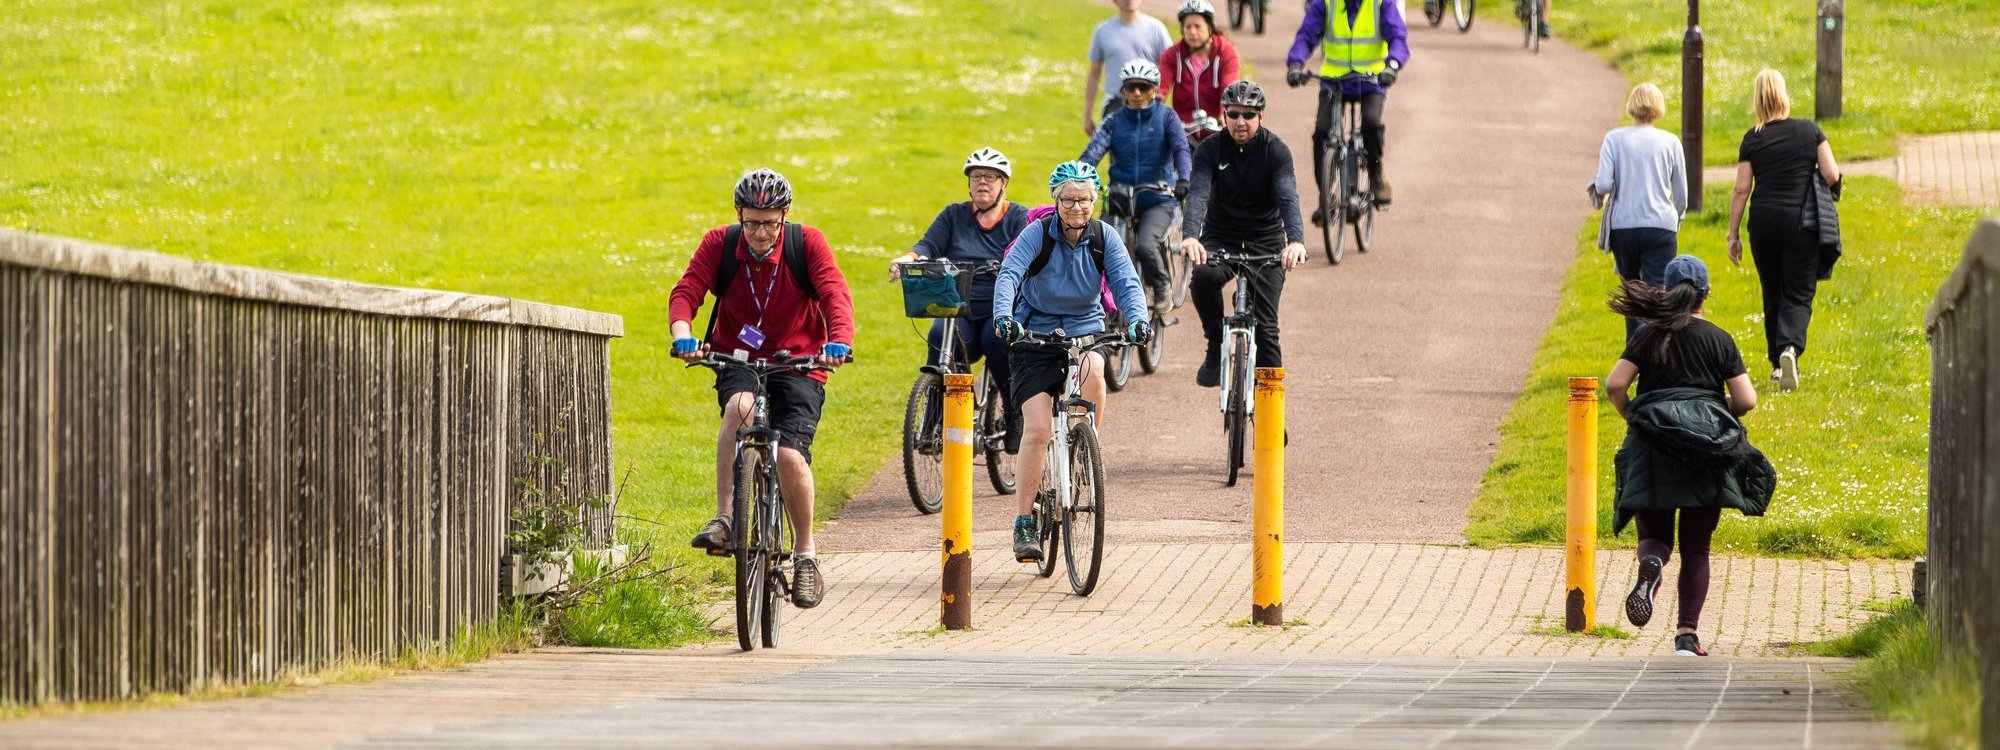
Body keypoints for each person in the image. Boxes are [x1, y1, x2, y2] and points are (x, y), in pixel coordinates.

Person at [670, 168, 855, 610]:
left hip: (801, 363)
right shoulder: (720, 243)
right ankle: (726, 519)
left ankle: (806, 555)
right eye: (752, 221)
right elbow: (687, 291)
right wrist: (683, 335)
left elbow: (834, 294)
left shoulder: (806, 243)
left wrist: (839, 342)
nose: (760, 232)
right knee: (739, 407)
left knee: (790, 455)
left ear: (785, 217)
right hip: (739, 358)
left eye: (770, 222)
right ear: (739, 215)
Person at [1605, 255, 1775, 658]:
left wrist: (1638, 417)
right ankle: (1686, 637)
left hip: (1653, 448)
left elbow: (1614, 385)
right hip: (1706, 450)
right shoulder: (1719, 338)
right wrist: (1716, 412)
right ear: (1707, 293)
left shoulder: (1647, 335)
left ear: (1665, 290)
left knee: (1654, 537)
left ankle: (1653, 565)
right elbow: (1747, 400)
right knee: (1696, 548)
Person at [992, 162, 1154, 563]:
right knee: (1037, 428)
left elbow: (1126, 281)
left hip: (1085, 331)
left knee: (1095, 370)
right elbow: (1010, 274)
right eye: (1068, 199)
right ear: (1056, 200)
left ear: (1094, 199)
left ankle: (1087, 443)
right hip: (1035, 335)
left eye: (1084, 199)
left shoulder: (1104, 237)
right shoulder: (1037, 234)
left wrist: (1138, 319)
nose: (1077, 207)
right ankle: (1024, 522)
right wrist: (1004, 317)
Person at [889, 148, 1031, 451]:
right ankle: (933, 419)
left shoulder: (1019, 217)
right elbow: (927, 244)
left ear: (1003, 183)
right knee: (940, 335)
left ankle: (1013, 411)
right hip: (959, 308)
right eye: (976, 176)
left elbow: (1027, 253)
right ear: (968, 183)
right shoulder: (954, 215)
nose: (982, 182)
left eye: (990, 177)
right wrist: (907, 259)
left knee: (998, 340)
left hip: (999, 307)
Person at [1179, 81, 1309, 387]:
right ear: (1224, 115)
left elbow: (1288, 198)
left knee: (1266, 329)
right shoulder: (1210, 149)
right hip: (1220, 235)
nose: (1241, 121)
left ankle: (1271, 418)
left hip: (1265, 239)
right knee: (1205, 279)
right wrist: (1190, 236)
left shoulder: (1276, 151)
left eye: (1248, 115)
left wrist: (1296, 242)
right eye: (1234, 114)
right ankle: (1214, 345)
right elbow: (1197, 194)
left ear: (1261, 116)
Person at [1725, 69, 1841, 393]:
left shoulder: (1753, 138)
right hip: (1800, 222)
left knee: (1772, 290)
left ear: (1758, 100)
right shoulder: (1809, 130)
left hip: (1763, 222)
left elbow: (1740, 189)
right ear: (1784, 95)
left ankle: (1777, 365)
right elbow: (1831, 173)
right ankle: (1789, 349)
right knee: (1799, 290)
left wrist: (1733, 235)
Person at [1080, 59, 1193, 317]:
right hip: (1120, 197)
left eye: (1144, 87)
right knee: (1099, 247)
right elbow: (1092, 153)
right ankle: (1102, 302)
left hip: (1158, 198)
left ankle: (1162, 285)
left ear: (1155, 90)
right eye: (1131, 88)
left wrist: (1184, 180)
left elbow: (1180, 150)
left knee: (1145, 245)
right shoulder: (1113, 121)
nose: (1137, 94)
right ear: (1124, 91)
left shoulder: (1167, 117)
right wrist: (1078, 179)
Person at [1286, 0, 1410, 211]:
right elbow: (1307, 34)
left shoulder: (1381, 3)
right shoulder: (1326, 3)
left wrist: (1392, 65)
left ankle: (1375, 172)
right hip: (1334, 79)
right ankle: (1326, 195)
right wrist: (1295, 63)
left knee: (1371, 123)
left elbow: (1398, 37)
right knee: (1322, 131)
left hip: (1371, 79)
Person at [1589, 82, 1688, 341]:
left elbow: (1602, 184)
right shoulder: (1671, 142)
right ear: (1659, 108)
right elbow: (1681, 195)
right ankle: (1656, 351)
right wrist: (1677, 219)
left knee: (1633, 294)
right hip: (1661, 226)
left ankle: (1635, 353)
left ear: (1632, 106)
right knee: (1658, 292)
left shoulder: (1614, 138)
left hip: (1624, 225)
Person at [1085, 0, 1174, 135]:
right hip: (1115, 103)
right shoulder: (1103, 31)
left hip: (1149, 102)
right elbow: (1094, 74)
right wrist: (1087, 114)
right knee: (1121, 150)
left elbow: (1170, 67)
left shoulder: (1156, 29)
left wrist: (1161, 97)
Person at [1158, 0, 1241, 143]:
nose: (1192, 32)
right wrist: (1153, 111)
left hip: (1217, 130)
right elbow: (1161, 88)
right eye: (1187, 27)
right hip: (1183, 132)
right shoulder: (1172, 54)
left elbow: (1230, 87)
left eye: (1197, 26)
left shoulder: (1225, 52)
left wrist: (1225, 113)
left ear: (1209, 28)